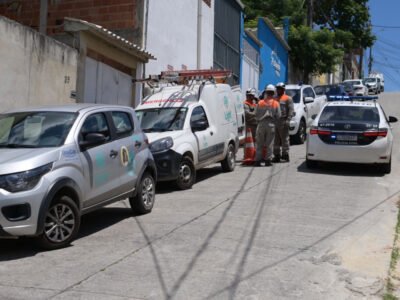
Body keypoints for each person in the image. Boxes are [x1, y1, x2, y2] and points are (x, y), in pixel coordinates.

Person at [255, 84, 281, 166]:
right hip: (271, 125)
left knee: (259, 143)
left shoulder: (260, 102)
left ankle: (258, 160)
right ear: (273, 93)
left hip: (261, 125)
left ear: (266, 92)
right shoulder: (276, 103)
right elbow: (279, 116)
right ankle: (268, 160)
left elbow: (256, 115)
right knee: (269, 143)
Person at [273, 82, 294, 162]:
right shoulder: (274, 98)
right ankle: (276, 155)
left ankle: (285, 155)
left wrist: (288, 120)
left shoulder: (288, 98)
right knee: (276, 140)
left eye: (280, 89)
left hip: (283, 121)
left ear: (283, 89)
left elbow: (291, 110)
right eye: (277, 88)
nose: (278, 90)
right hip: (275, 121)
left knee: (284, 139)